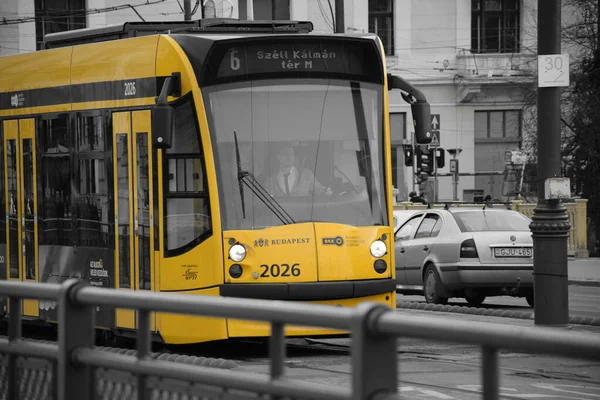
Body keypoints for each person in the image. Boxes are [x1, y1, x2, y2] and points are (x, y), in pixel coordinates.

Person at [266, 145, 332, 196]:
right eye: (285, 154)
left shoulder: (306, 174)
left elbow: (320, 190)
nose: (289, 157)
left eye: (292, 154)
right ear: (278, 157)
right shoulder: (271, 181)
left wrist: (327, 192)